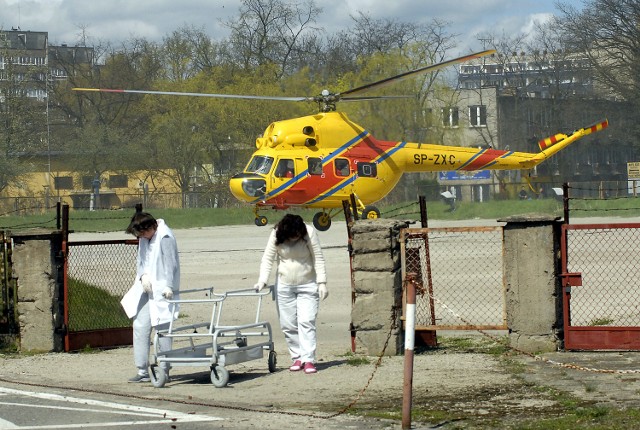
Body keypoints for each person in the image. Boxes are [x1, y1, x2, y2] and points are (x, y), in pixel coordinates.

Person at [254, 214, 327, 374]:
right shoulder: (276, 233)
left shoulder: (309, 232)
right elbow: (267, 258)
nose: (295, 238)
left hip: (308, 284)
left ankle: (308, 359)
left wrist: (322, 282)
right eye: (292, 236)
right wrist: (262, 280)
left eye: (297, 235)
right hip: (284, 286)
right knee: (288, 324)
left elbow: (318, 258)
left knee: (306, 321)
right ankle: (297, 357)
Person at [121, 212, 180, 383]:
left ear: (151, 227)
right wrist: (142, 276)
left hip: (162, 290)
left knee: (162, 329)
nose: (140, 236)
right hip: (146, 288)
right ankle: (142, 370)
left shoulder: (165, 236)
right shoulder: (144, 239)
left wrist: (169, 285)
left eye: (142, 233)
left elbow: (171, 263)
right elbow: (142, 262)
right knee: (140, 325)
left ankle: (164, 369)